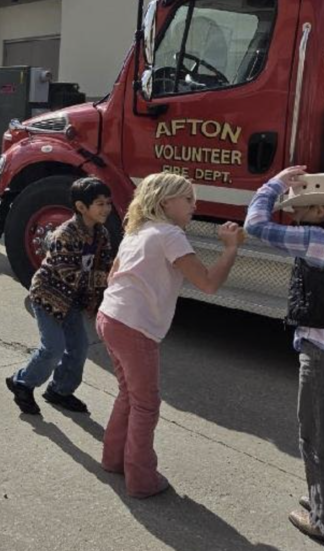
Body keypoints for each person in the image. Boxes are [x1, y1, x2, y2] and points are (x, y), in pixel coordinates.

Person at [245, 167, 324, 549]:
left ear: (320, 211)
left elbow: (256, 225)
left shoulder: (320, 239)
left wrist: (275, 184)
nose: (294, 215)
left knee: (321, 439)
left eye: (299, 209)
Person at [97, 172, 241, 498]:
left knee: (128, 395)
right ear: (166, 202)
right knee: (146, 405)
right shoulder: (170, 234)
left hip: (110, 317)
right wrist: (230, 248)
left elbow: (112, 275)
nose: (195, 205)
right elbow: (207, 283)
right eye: (188, 199)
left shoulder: (137, 230)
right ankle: (141, 480)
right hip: (135, 328)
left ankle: (113, 459)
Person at [6, 178, 114, 416]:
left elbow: (106, 265)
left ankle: (60, 390)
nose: (106, 208)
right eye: (100, 203)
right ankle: (22, 383)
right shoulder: (64, 234)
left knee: (79, 348)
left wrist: (98, 296)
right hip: (48, 296)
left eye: (108, 203)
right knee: (53, 348)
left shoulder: (101, 234)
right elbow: (69, 275)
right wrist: (108, 279)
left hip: (72, 301)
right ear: (81, 207)